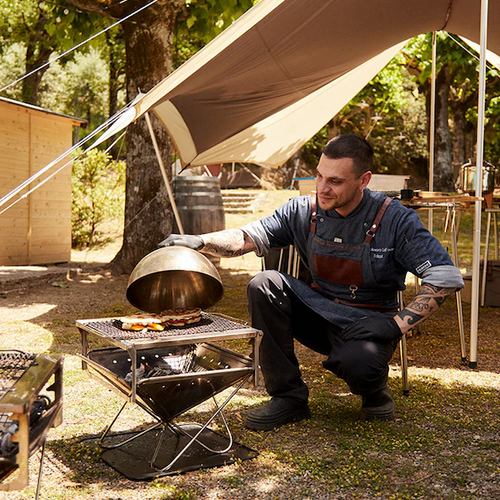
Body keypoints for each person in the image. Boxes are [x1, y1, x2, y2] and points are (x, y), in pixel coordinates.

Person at [159, 134, 464, 430]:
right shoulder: (304, 210)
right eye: (319, 176)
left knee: (361, 367)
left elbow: (444, 275)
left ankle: (375, 391)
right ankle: (288, 398)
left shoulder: (395, 219)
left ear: (364, 180)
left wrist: (395, 324)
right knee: (264, 283)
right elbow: (248, 237)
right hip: (318, 311)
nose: (322, 188)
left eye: (335, 181)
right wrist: (198, 241)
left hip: (369, 322)